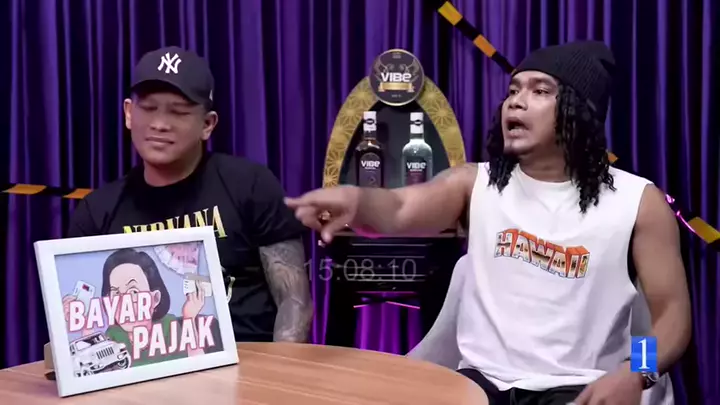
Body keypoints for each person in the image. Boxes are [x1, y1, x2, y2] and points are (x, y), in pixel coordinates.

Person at [286, 41, 691, 405]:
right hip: (481, 385)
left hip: (576, 387)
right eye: (513, 90)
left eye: (539, 91)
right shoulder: (475, 183)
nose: (516, 103)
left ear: (579, 111)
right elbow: (398, 208)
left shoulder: (638, 201)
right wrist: (357, 201)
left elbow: (669, 315)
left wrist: (636, 372)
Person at [66, 46, 313, 344]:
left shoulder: (250, 185)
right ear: (129, 113)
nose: (159, 124)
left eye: (178, 112)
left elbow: (294, 302)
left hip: (250, 363)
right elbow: (85, 322)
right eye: (149, 108)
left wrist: (280, 369)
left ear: (207, 125)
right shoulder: (97, 211)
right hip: (140, 367)